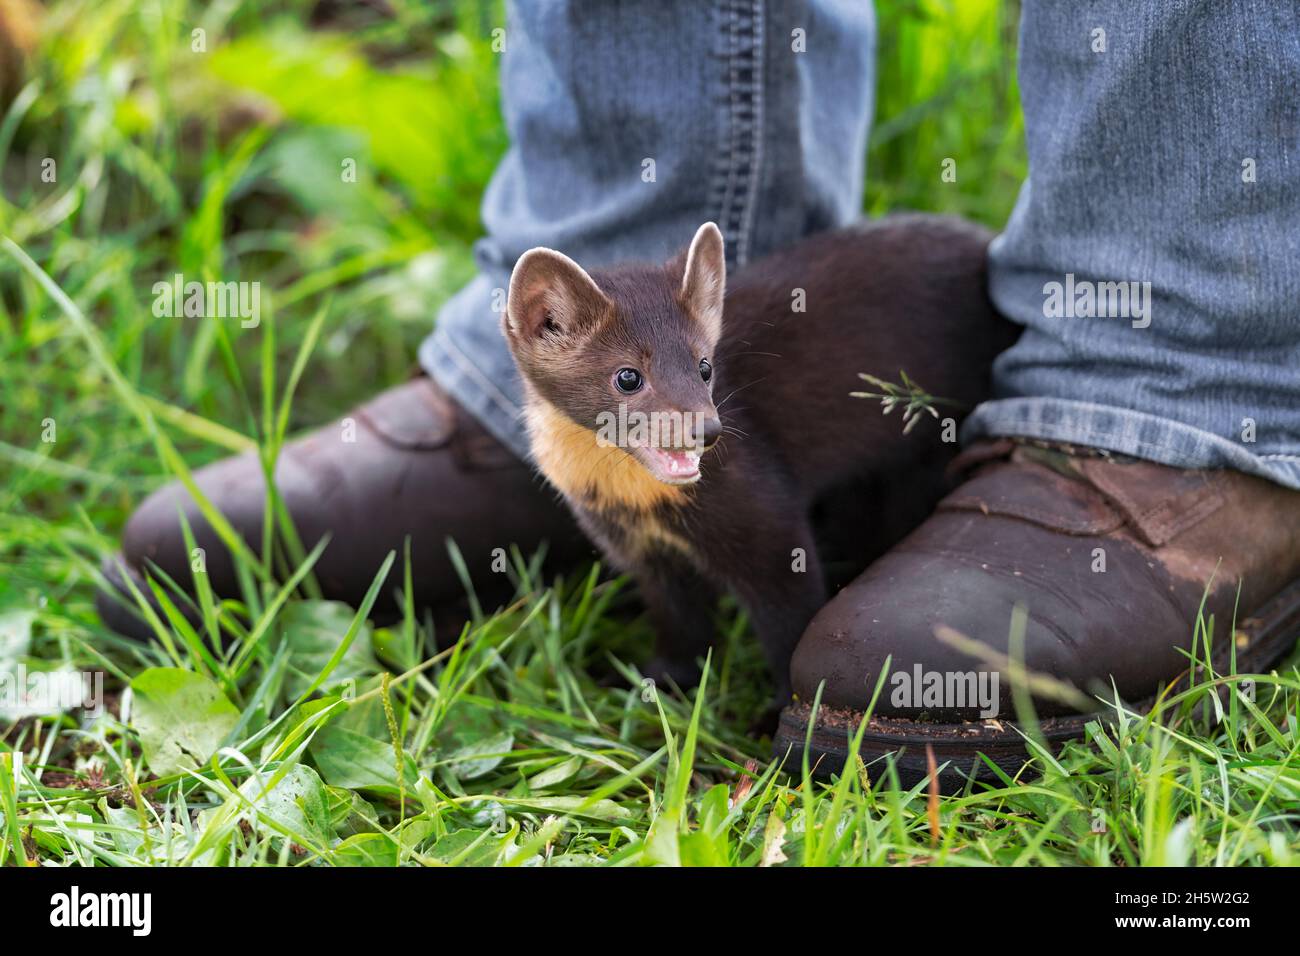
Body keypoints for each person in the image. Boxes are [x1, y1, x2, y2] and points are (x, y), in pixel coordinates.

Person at [99, 1, 1300, 772]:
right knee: (664, 522)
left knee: (766, 513)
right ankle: (623, 206)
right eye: (630, 372)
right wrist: (676, 649)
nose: (697, 407)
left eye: (699, 368)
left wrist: (788, 654)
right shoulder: (609, 373)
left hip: (928, 329)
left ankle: (1179, 372)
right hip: (694, 335)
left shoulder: (699, 419)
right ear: (544, 326)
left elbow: (768, 545)